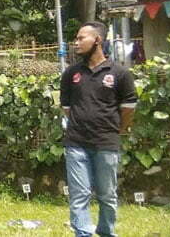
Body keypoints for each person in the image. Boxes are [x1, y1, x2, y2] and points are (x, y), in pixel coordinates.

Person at [60, 21, 137, 237]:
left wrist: (117, 129)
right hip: (76, 143)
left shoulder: (120, 73)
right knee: (79, 194)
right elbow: (66, 107)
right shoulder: (71, 73)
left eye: (81, 38)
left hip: (106, 143)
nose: (76, 43)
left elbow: (129, 107)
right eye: (76, 39)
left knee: (107, 194)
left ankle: (106, 231)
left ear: (97, 40)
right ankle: (83, 233)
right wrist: (82, 122)